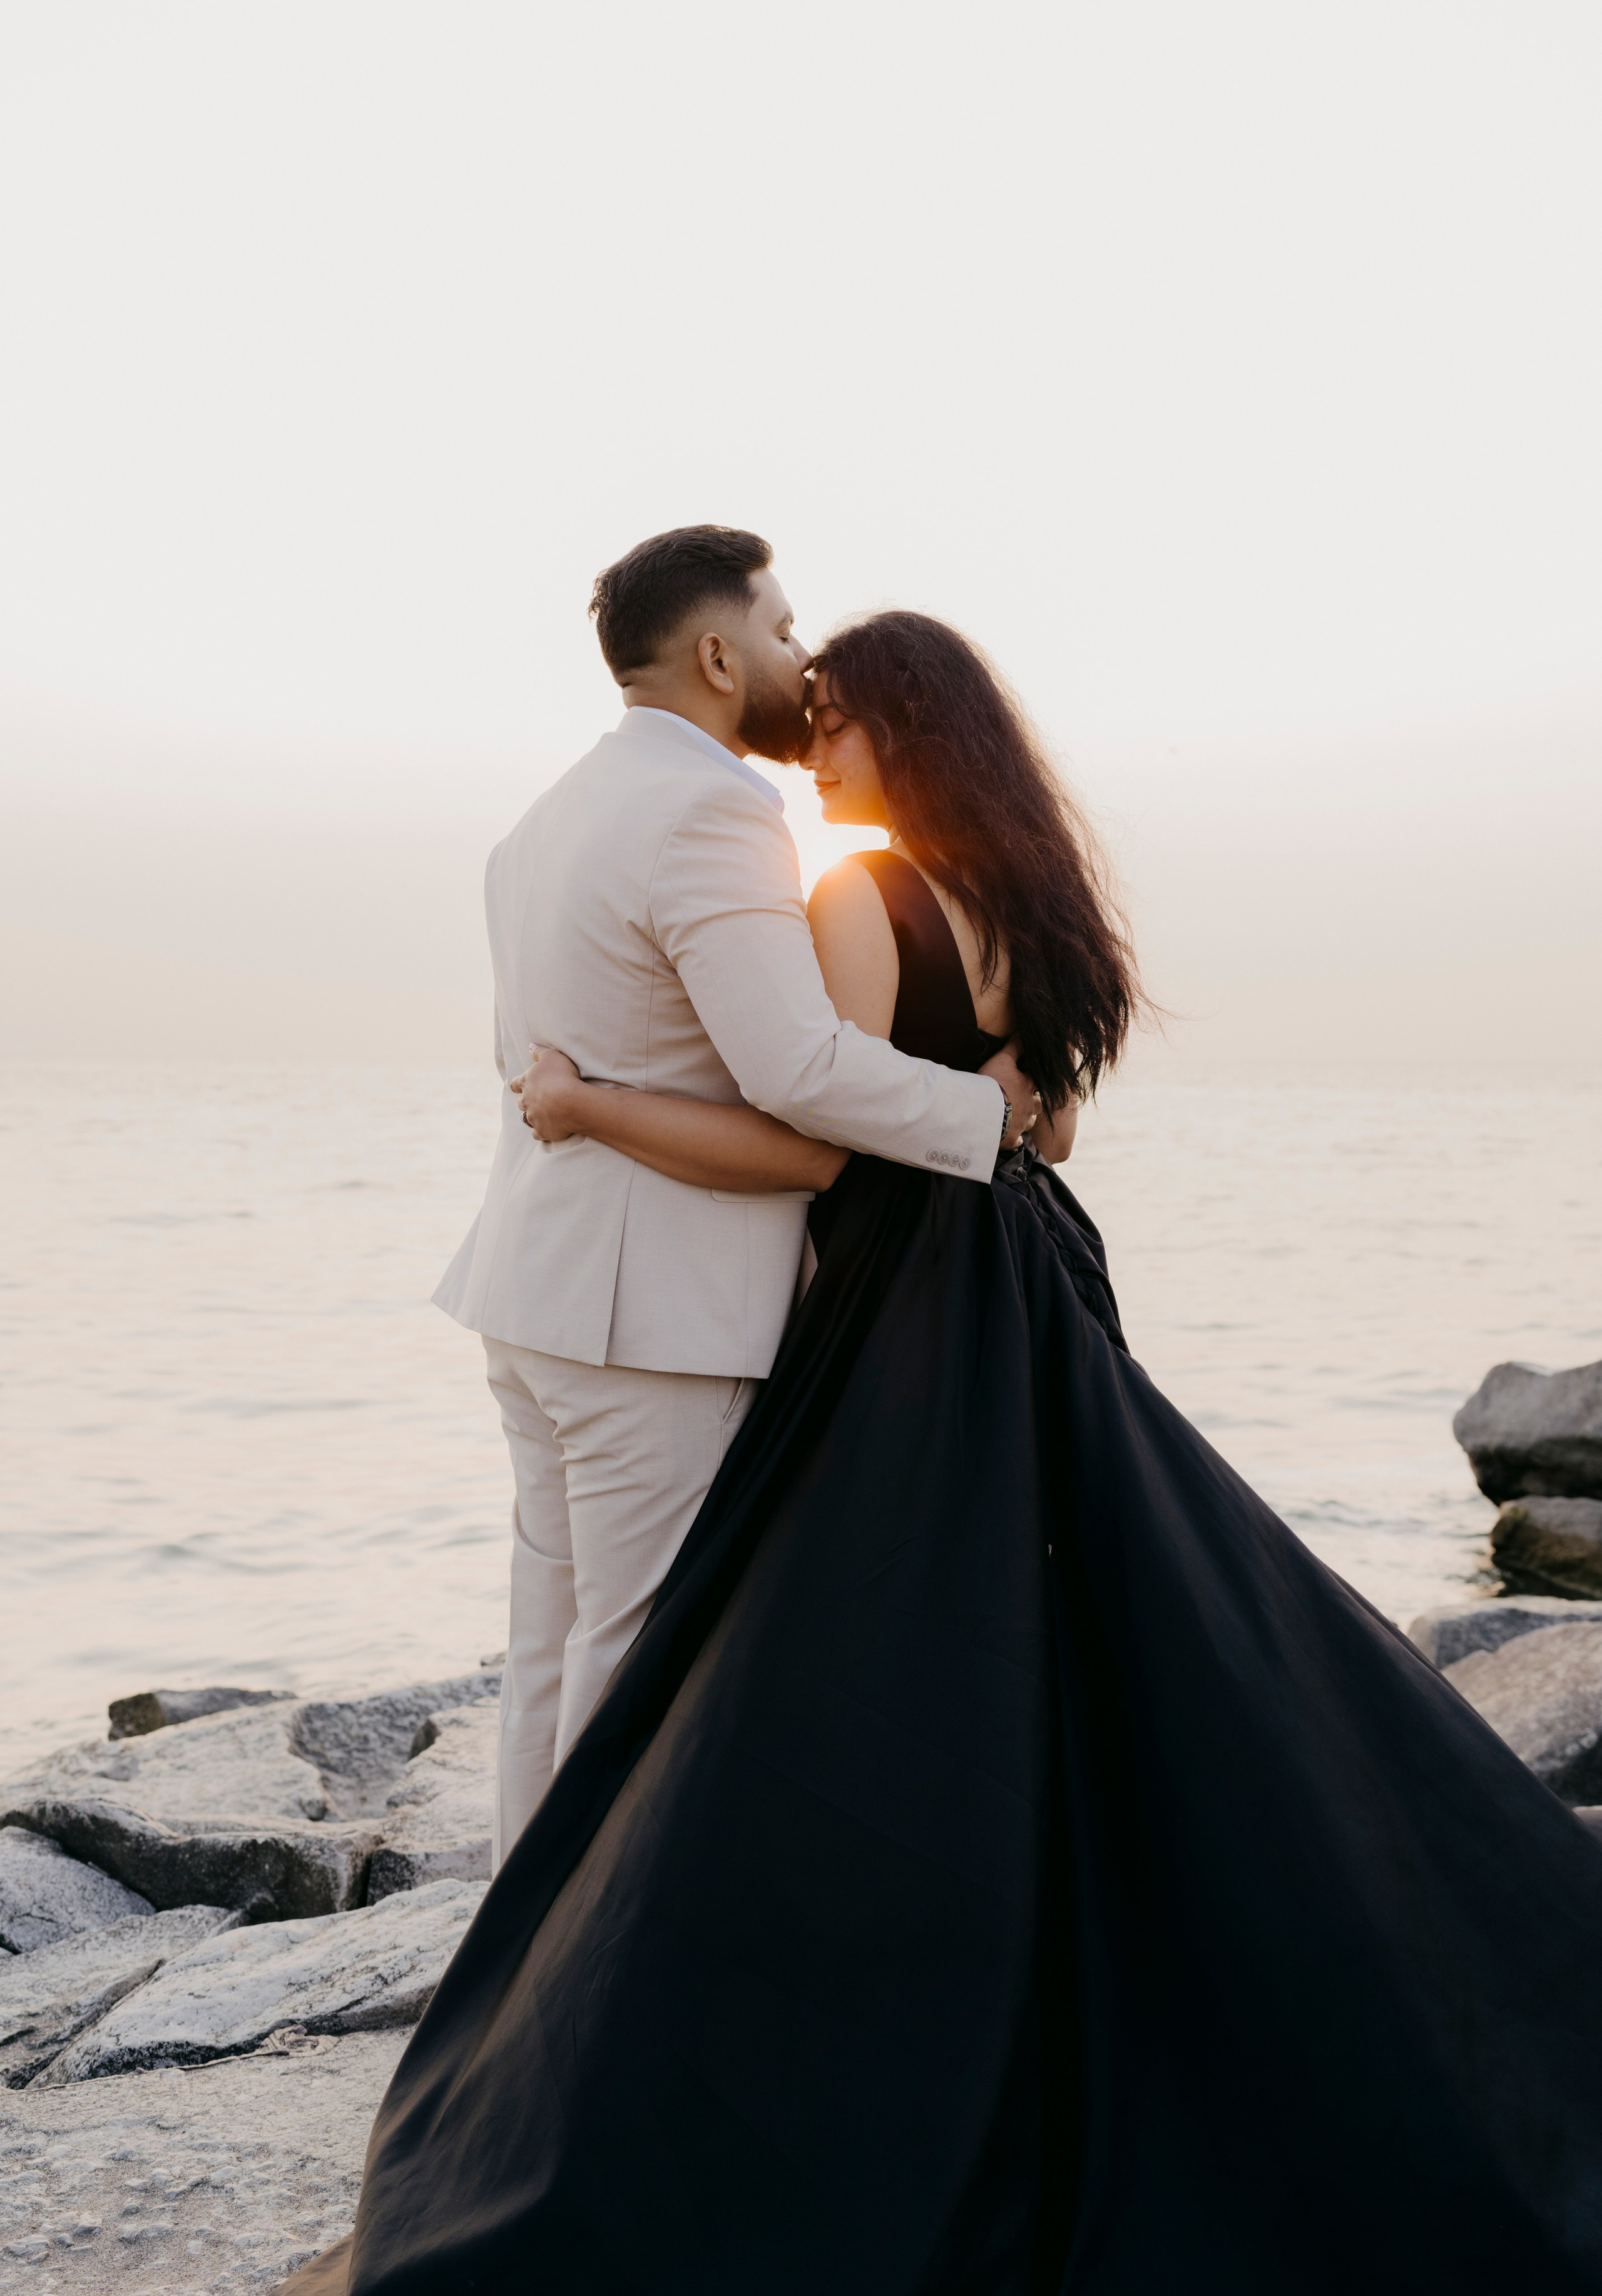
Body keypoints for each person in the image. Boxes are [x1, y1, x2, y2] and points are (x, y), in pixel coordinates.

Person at [285, 613, 1602, 2295]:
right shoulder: (1039, 914)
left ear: (897, 734)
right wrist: (988, 1115)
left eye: (833, 722)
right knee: (1077, 1621)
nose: (810, 746)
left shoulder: (859, 896)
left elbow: (811, 1136)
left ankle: (686, 2002)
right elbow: (1039, 1125)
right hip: (1036, 1280)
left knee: (844, 1652)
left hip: (900, 1307)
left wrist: (595, 1104)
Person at [428, 527, 1036, 1868]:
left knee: (551, 1651)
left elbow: (534, 1063)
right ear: (716, 653)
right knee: (640, 1656)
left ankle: (513, 1977)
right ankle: (588, 1994)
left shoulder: (537, 825)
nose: (796, 660)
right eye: (778, 632)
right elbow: (801, 1068)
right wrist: (984, 1114)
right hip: (652, 1316)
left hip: (534, 1290)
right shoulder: (711, 809)